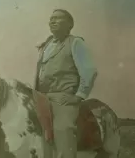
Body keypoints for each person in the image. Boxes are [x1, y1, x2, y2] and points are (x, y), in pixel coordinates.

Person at [33, 9, 98, 158]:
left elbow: (89, 70)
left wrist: (78, 96)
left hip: (63, 98)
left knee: (63, 130)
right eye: (51, 19)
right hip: (41, 98)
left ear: (70, 24)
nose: (52, 21)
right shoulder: (47, 44)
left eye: (57, 18)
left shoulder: (75, 42)